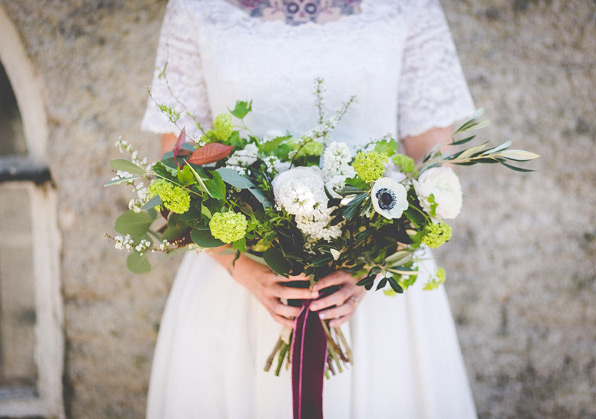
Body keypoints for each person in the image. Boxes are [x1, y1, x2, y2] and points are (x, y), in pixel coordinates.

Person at [141, 0, 478, 417]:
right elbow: (179, 163)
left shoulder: (409, 6)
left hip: (373, 280)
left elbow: (431, 161)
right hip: (239, 279)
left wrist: (369, 267)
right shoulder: (196, 8)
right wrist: (246, 271)